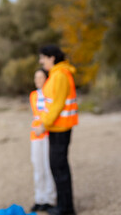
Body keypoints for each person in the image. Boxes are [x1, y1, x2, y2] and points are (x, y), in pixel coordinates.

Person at [36, 45, 78, 215]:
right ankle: (63, 205)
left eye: (43, 58)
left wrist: (43, 124)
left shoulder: (59, 75)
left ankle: (66, 208)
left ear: (52, 57)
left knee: (59, 168)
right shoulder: (57, 74)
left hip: (60, 128)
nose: (41, 61)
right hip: (57, 127)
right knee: (58, 167)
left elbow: (57, 104)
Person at [29, 68, 56, 212]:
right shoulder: (33, 95)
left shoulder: (50, 94)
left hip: (47, 134)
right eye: (36, 77)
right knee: (37, 167)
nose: (37, 80)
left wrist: (44, 127)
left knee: (47, 166)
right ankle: (39, 198)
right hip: (35, 135)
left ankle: (49, 199)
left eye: (40, 77)